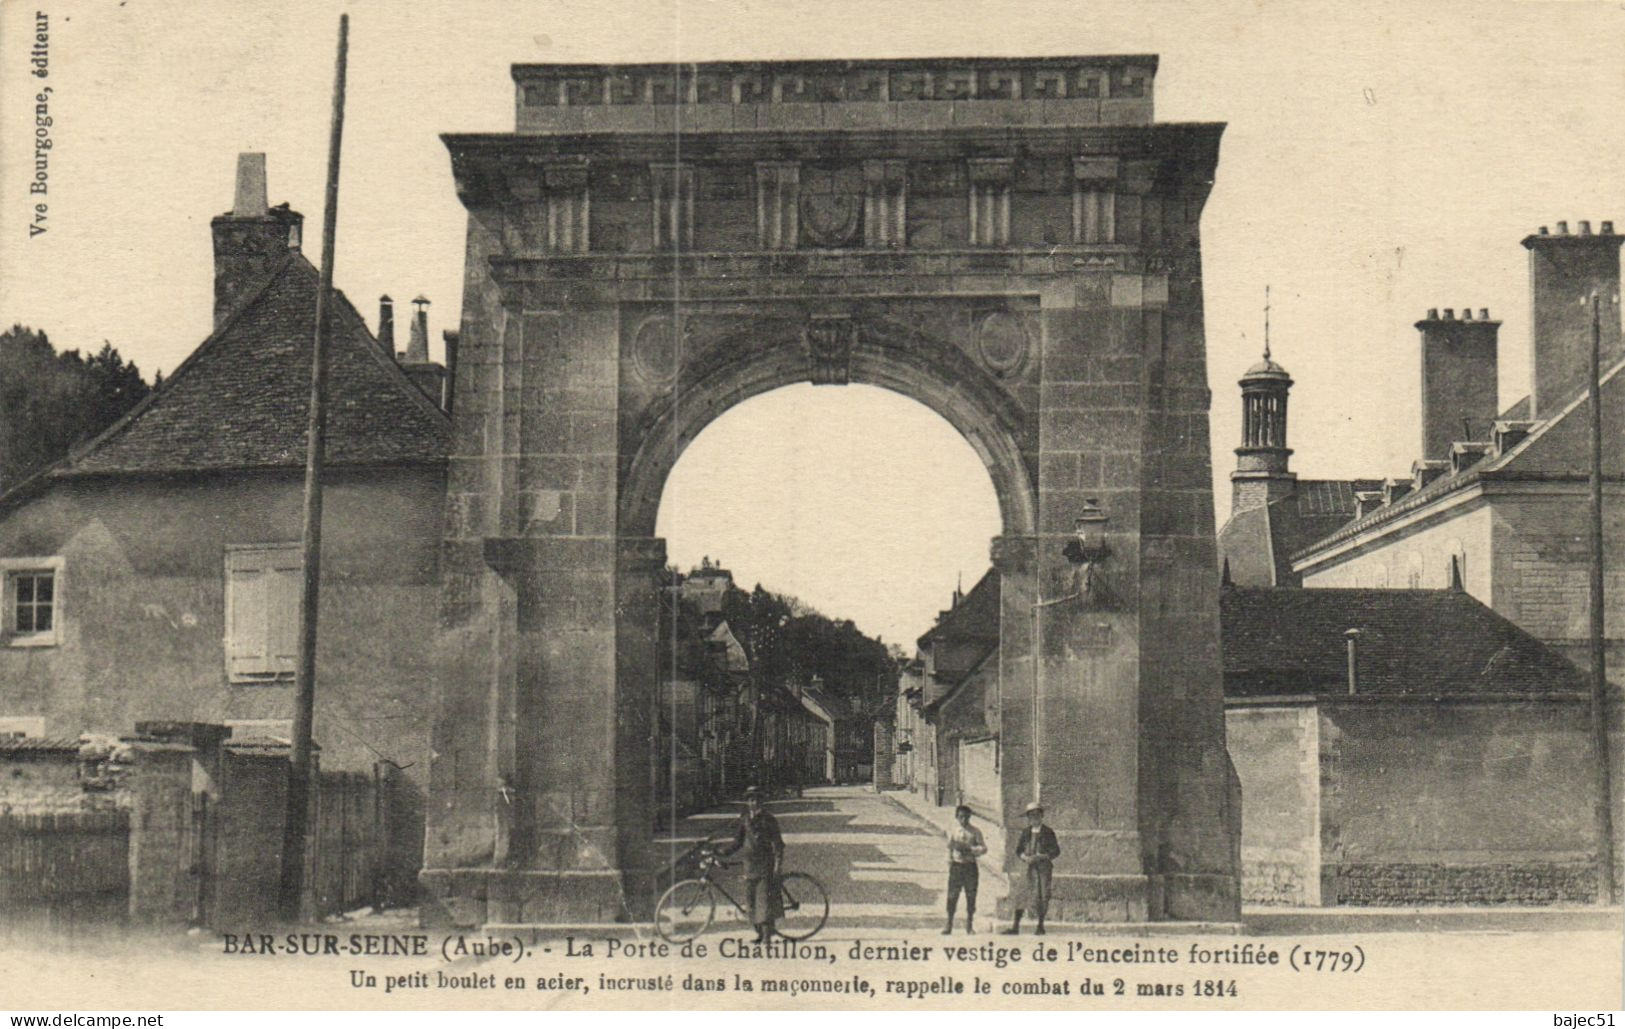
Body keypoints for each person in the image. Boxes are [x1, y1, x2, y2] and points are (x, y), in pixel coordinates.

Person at [716, 785, 784, 942]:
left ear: (762, 801)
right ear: (747, 802)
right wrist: (723, 851)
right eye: (751, 800)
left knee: (764, 902)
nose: (754, 803)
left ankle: (767, 938)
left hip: (765, 866)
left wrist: (778, 865)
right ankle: (760, 933)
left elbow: (778, 844)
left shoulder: (769, 820)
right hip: (749, 866)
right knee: (751, 902)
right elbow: (737, 842)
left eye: (757, 799)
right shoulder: (744, 820)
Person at [1002, 801, 1060, 935]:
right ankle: (1015, 926)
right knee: (1021, 894)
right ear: (1028, 817)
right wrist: (1024, 857)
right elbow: (1019, 850)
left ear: (1041, 815)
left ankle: (1040, 926)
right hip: (1027, 867)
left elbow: (1056, 851)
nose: (1034, 818)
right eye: (1031, 815)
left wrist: (1044, 856)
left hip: (1043, 868)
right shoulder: (1026, 832)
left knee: (1042, 895)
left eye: (1037, 814)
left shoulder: (1048, 832)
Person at [943, 804, 986, 935]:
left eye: (966, 817)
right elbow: (949, 847)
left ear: (970, 817)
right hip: (957, 866)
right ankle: (948, 924)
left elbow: (983, 848)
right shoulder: (953, 830)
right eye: (961, 817)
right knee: (952, 896)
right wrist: (950, 861)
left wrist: (972, 850)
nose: (964, 820)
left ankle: (969, 925)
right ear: (957, 817)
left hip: (970, 866)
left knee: (971, 896)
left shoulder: (975, 831)